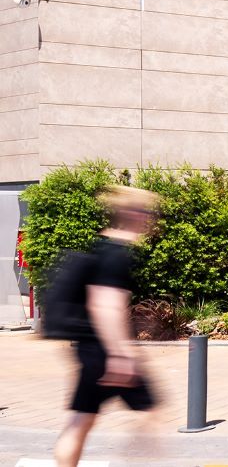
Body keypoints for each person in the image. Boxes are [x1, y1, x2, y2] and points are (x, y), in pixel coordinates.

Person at [52, 185, 161, 467]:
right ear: (133, 214)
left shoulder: (102, 245)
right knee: (150, 412)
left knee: (82, 419)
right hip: (106, 351)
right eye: (149, 213)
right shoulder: (118, 253)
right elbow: (105, 304)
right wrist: (120, 354)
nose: (152, 219)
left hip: (89, 348)